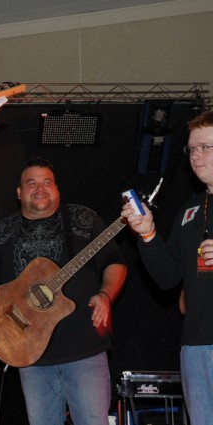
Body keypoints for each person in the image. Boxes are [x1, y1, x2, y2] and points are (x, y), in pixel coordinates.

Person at [0, 157, 127, 425]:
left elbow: (114, 263)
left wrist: (106, 294)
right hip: (30, 353)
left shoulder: (83, 219)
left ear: (57, 189)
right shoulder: (3, 231)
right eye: (31, 183)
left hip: (84, 349)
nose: (40, 189)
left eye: (47, 182)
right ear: (19, 192)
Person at [122, 110, 213, 424]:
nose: (195, 155)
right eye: (191, 148)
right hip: (196, 345)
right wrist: (148, 235)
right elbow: (168, 277)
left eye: (205, 147)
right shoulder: (190, 210)